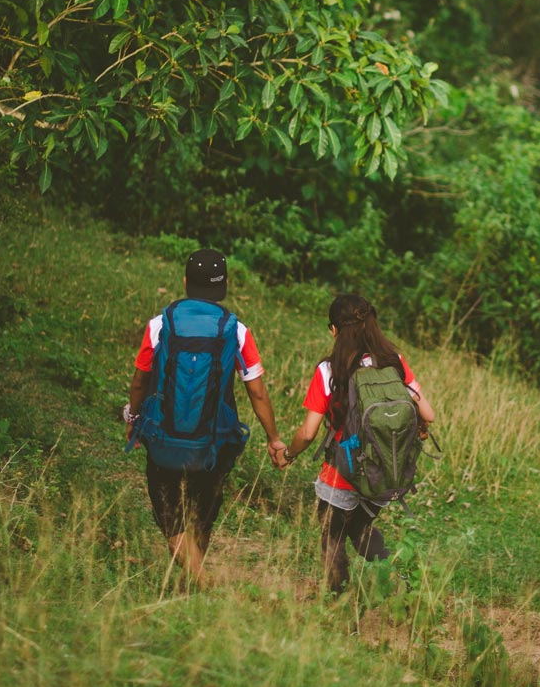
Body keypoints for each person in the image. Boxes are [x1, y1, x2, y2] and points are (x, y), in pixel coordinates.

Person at [124, 248, 288, 585]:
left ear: (185, 282)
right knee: (202, 512)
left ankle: (198, 582)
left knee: (170, 516)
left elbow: (141, 378)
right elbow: (256, 391)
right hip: (213, 443)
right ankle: (200, 581)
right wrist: (273, 438)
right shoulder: (236, 330)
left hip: (164, 438)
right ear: (224, 286)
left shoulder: (160, 324)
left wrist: (134, 417)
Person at [280, 292, 435, 594]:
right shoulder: (394, 362)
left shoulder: (329, 371)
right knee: (360, 529)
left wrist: (288, 454)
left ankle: (339, 602)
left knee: (331, 535)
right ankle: (398, 585)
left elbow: (308, 432)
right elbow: (428, 413)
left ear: (335, 330)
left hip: (343, 472)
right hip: (384, 471)